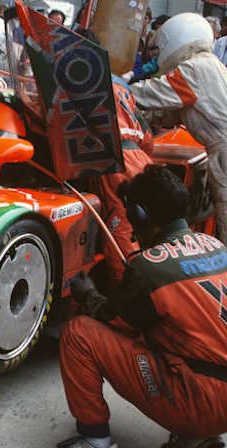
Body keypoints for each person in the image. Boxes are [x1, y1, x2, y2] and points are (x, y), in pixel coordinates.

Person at [57, 165, 227, 448]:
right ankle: (201, 436)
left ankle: (94, 439)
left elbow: (112, 318)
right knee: (169, 329)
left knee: (79, 333)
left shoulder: (150, 268)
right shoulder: (216, 245)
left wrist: (88, 296)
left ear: (140, 215)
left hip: (203, 401)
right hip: (215, 387)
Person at [129, 13, 227, 245]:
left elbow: (147, 94)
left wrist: (118, 84)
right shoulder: (212, 66)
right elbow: (171, 110)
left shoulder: (193, 70)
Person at [75, 28, 153, 287]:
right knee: (149, 233)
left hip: (113, 166)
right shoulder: (121, 84)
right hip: (142, 159)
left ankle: (127, 313)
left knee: (121, 239)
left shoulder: (74, 79)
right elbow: (148, 136)